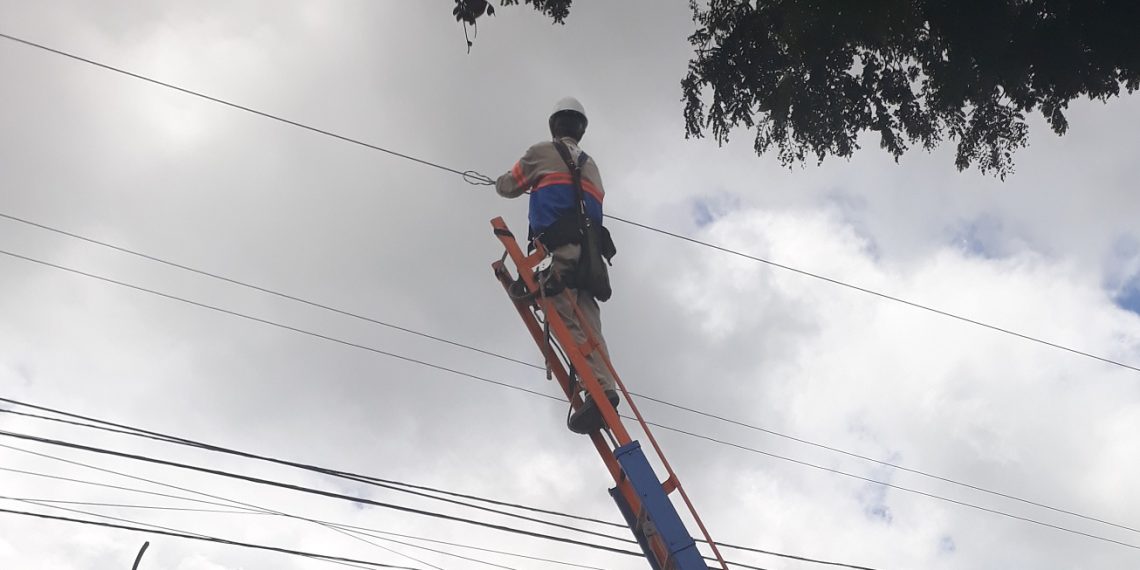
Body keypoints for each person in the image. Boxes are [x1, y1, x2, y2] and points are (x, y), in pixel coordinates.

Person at [496, 97, 618, 434]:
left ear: (554, 126)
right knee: (590, 323)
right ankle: (604, 385)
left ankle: (596, 391)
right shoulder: (592, 166)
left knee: (557, 306)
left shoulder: (541, 152)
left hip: (561, 249)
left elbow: (509, 186)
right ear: (581, 129)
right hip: (592, 257)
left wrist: (509, 182)